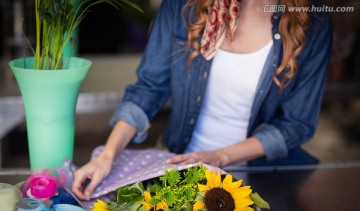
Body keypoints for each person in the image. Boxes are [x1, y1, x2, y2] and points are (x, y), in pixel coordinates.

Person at [72, 0, 332, 200]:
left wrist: (220, 157)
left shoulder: (314, 20)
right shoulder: (182, 6)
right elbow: (149, 88)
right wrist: (107, 155)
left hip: (264, 177)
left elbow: (296, 123)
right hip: (182, 165)